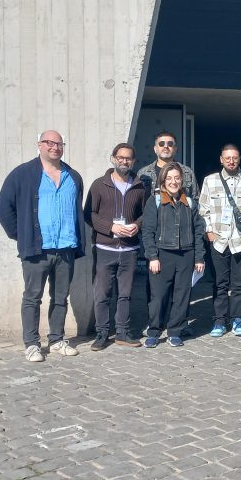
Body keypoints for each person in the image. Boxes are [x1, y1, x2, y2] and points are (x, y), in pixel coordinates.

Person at [0, 130, 85, 362]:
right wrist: (22, 235)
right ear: (40, 145)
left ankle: (56, 340)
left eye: (59, 143)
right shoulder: (23, 174)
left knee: (60, 297)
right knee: (32, 297)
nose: (55, 147)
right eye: (49, 142)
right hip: (37, 250)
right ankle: (32, 344)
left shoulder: (73, 176)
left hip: (66, 247)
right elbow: (3, 207)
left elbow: (76, 211)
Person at [83, 143, 147, 350]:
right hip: (105, 248)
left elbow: (145, 214)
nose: (124, 161)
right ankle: (102, 333)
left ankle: (122, 332)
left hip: (129, 250)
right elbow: (89, 215)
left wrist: (137, 226)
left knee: (125, 294)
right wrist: (111, 228)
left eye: (128, 158)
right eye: (120, 157)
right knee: (102, 294)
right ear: (113, 159)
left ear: (133, 161)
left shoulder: (138, 186)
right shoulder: (99, 185)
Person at [141, 162, 205, 348]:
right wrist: (152, 256)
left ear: (182, 180)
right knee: (158, 296)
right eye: (169, 178)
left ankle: (175, 331)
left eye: (177, 178)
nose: (173, 181)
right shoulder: (155, 201)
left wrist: (199, 257)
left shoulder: (189, 202)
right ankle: (154, 331)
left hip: (186, 255)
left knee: (182, 295)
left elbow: (199, 231)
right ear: (163, 180)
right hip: (162, 255)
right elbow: (148, 231)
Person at [199, 144, 241, 338]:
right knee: (220, 283)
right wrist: (209, 232)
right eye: (227, 158)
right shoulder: (210, 181)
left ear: (240, 159)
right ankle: (219, 321)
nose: (231, 161)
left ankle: (238, 319)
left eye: (235, 158)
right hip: (219, 240)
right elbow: (203, 209)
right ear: (221, 159)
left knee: (239, 284)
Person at [137, 131, 198, 201]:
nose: (166, 146)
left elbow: (195, 199)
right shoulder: (143, 173)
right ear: (155, 149)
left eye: (170, 144)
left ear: (175, 149)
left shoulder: (187, 172)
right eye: (161, 144)